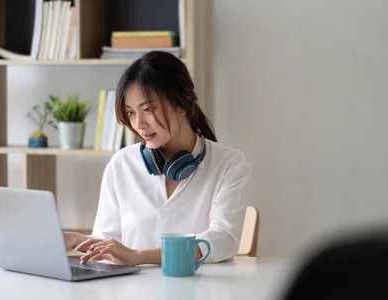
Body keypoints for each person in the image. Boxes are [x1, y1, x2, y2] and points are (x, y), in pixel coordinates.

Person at [62, 51, 252, 267]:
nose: (139, 124)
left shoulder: (230, 164)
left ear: (183, 102)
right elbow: (109, 243)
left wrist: (141, 256)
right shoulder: (121, 164)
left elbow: (223, 240)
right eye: (131, 113)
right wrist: (80, 241)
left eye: (148, 109)